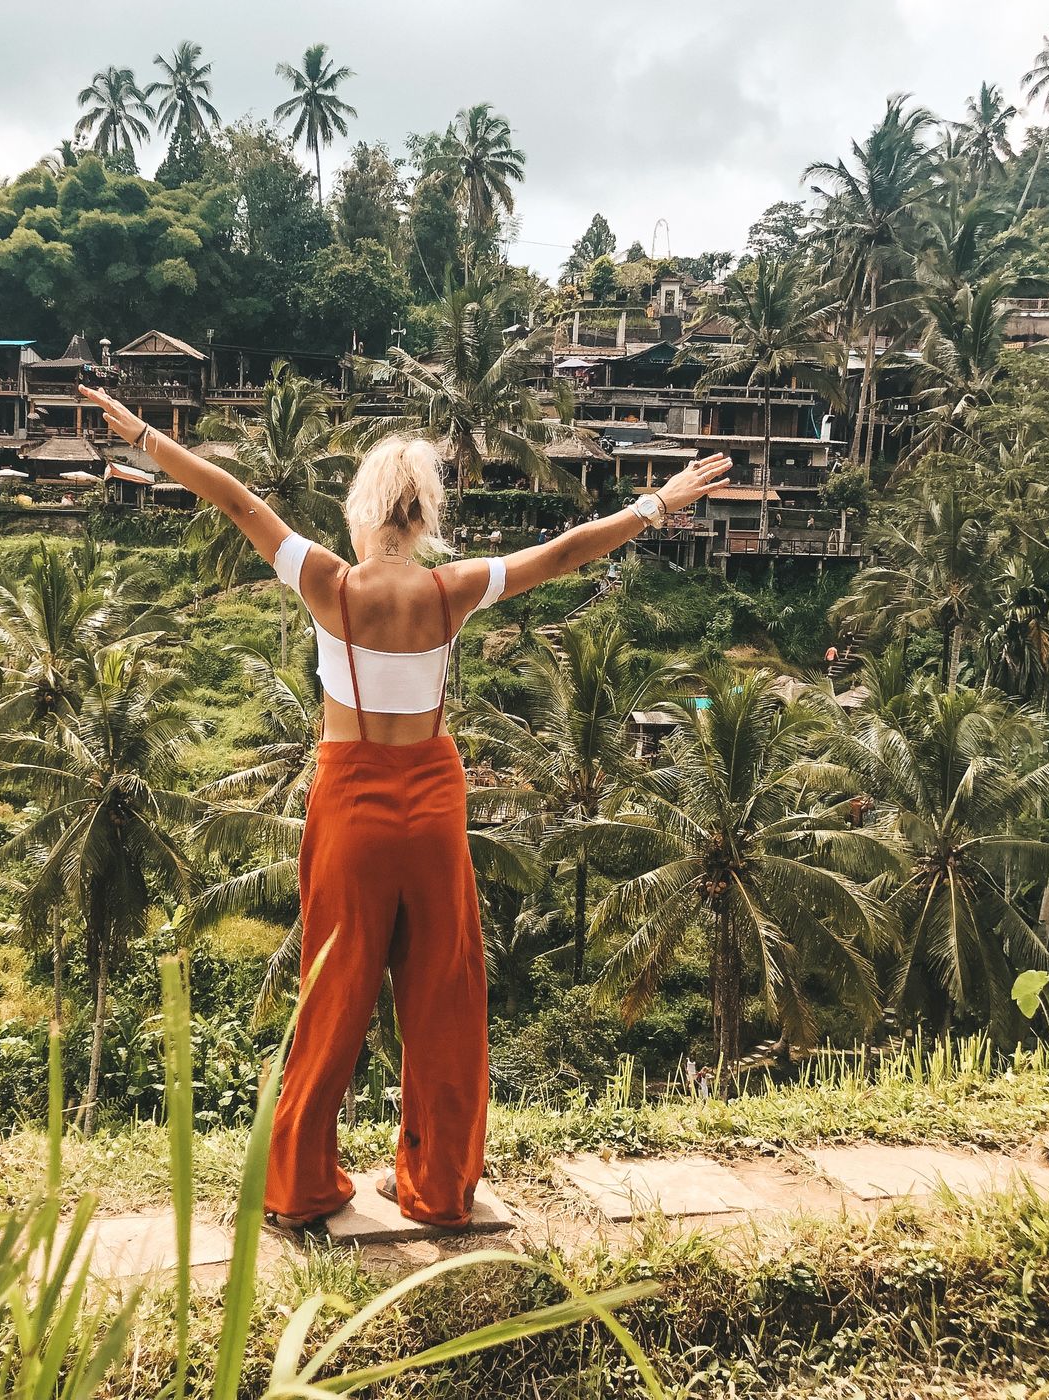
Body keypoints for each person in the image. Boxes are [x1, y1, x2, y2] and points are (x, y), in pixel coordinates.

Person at [78, 384, 731, 1228]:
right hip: (431, 804)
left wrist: (145, 436)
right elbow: (567, 552)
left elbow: (235, 496)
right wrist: (655, 502)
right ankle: (438, 1188)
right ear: (423, 517)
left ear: (359, 512)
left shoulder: (325, 580)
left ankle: (301, 1187)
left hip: (351, 802)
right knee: (443, 996)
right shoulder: (451, 588)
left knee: (333, 990)